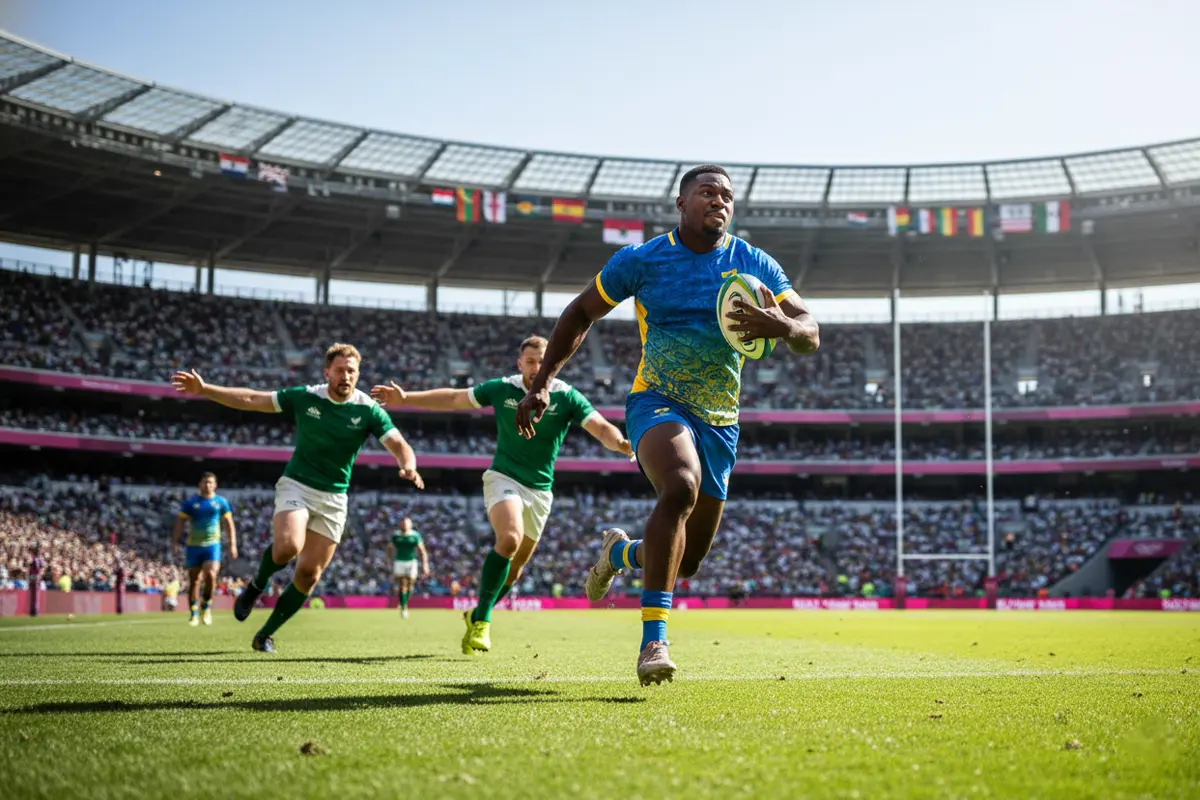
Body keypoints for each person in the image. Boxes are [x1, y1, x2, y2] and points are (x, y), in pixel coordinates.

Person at [516, 165, 820, 685]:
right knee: (680, 486)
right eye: (707, 192)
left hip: (721, 420)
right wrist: (544, 379)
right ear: (681, 203)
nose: (719, 201)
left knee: (689, 561)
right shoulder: (642, 260)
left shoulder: (753, 262)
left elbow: (810, 331)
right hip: (656, 401)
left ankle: (620, 553)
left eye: (726, 195)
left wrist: (785, 325)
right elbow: (579, 312)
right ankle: (653, 642)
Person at [372, 335, 631, 655]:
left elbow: (600, 427)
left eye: (543, 361)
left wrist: (621, 444)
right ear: (520, 364)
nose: (537, 367)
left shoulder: (567, 396)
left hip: (541, 491)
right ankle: (483, 623)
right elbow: (455, 398)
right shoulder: (503, 388)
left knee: (517, 566)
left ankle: (477, 614)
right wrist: (406, 398)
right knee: (508, 539)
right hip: (503, 478)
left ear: (555, 363)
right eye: (531, 361)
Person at [171, 342, 424, 653]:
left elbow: (399, 443)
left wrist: (408, 465)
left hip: (334, 498)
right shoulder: (306, 396)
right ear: (327, 372)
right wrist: (205, 389)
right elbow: (253, 398)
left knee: (309, 574)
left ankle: (265, 634)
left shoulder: (368, 409)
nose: (346, 376)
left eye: (352, 371)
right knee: (289, 547)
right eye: (340, 370)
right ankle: (256, 586)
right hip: (297, 486)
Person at [172, 472, 237, 627]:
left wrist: (232, 543)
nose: (207, 485)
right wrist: (175, 542)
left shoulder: (221, 502)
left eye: (210, 482)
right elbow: (180, 522)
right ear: (199, 484)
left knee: (211, 574)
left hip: (212, 545)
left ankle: (206, 606)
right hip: (193, 545)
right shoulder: (191, 503)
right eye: (205, 482)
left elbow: (229, 523)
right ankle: (194, 612)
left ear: (215, 485)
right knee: (194, 580)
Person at [387, 516, 428, 618]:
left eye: (406, 524)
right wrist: (389, 560)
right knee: (403, 584)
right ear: (400, 525)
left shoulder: (415, 535)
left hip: (411, 562)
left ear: (410, 525)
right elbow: (389, 548)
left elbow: (422, 551)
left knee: (410, 585)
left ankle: (403, 602)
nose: (404, 525)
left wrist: (425, 565)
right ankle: (404, 607)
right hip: (400, 561)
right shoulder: (396, 535)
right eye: (403, 523)